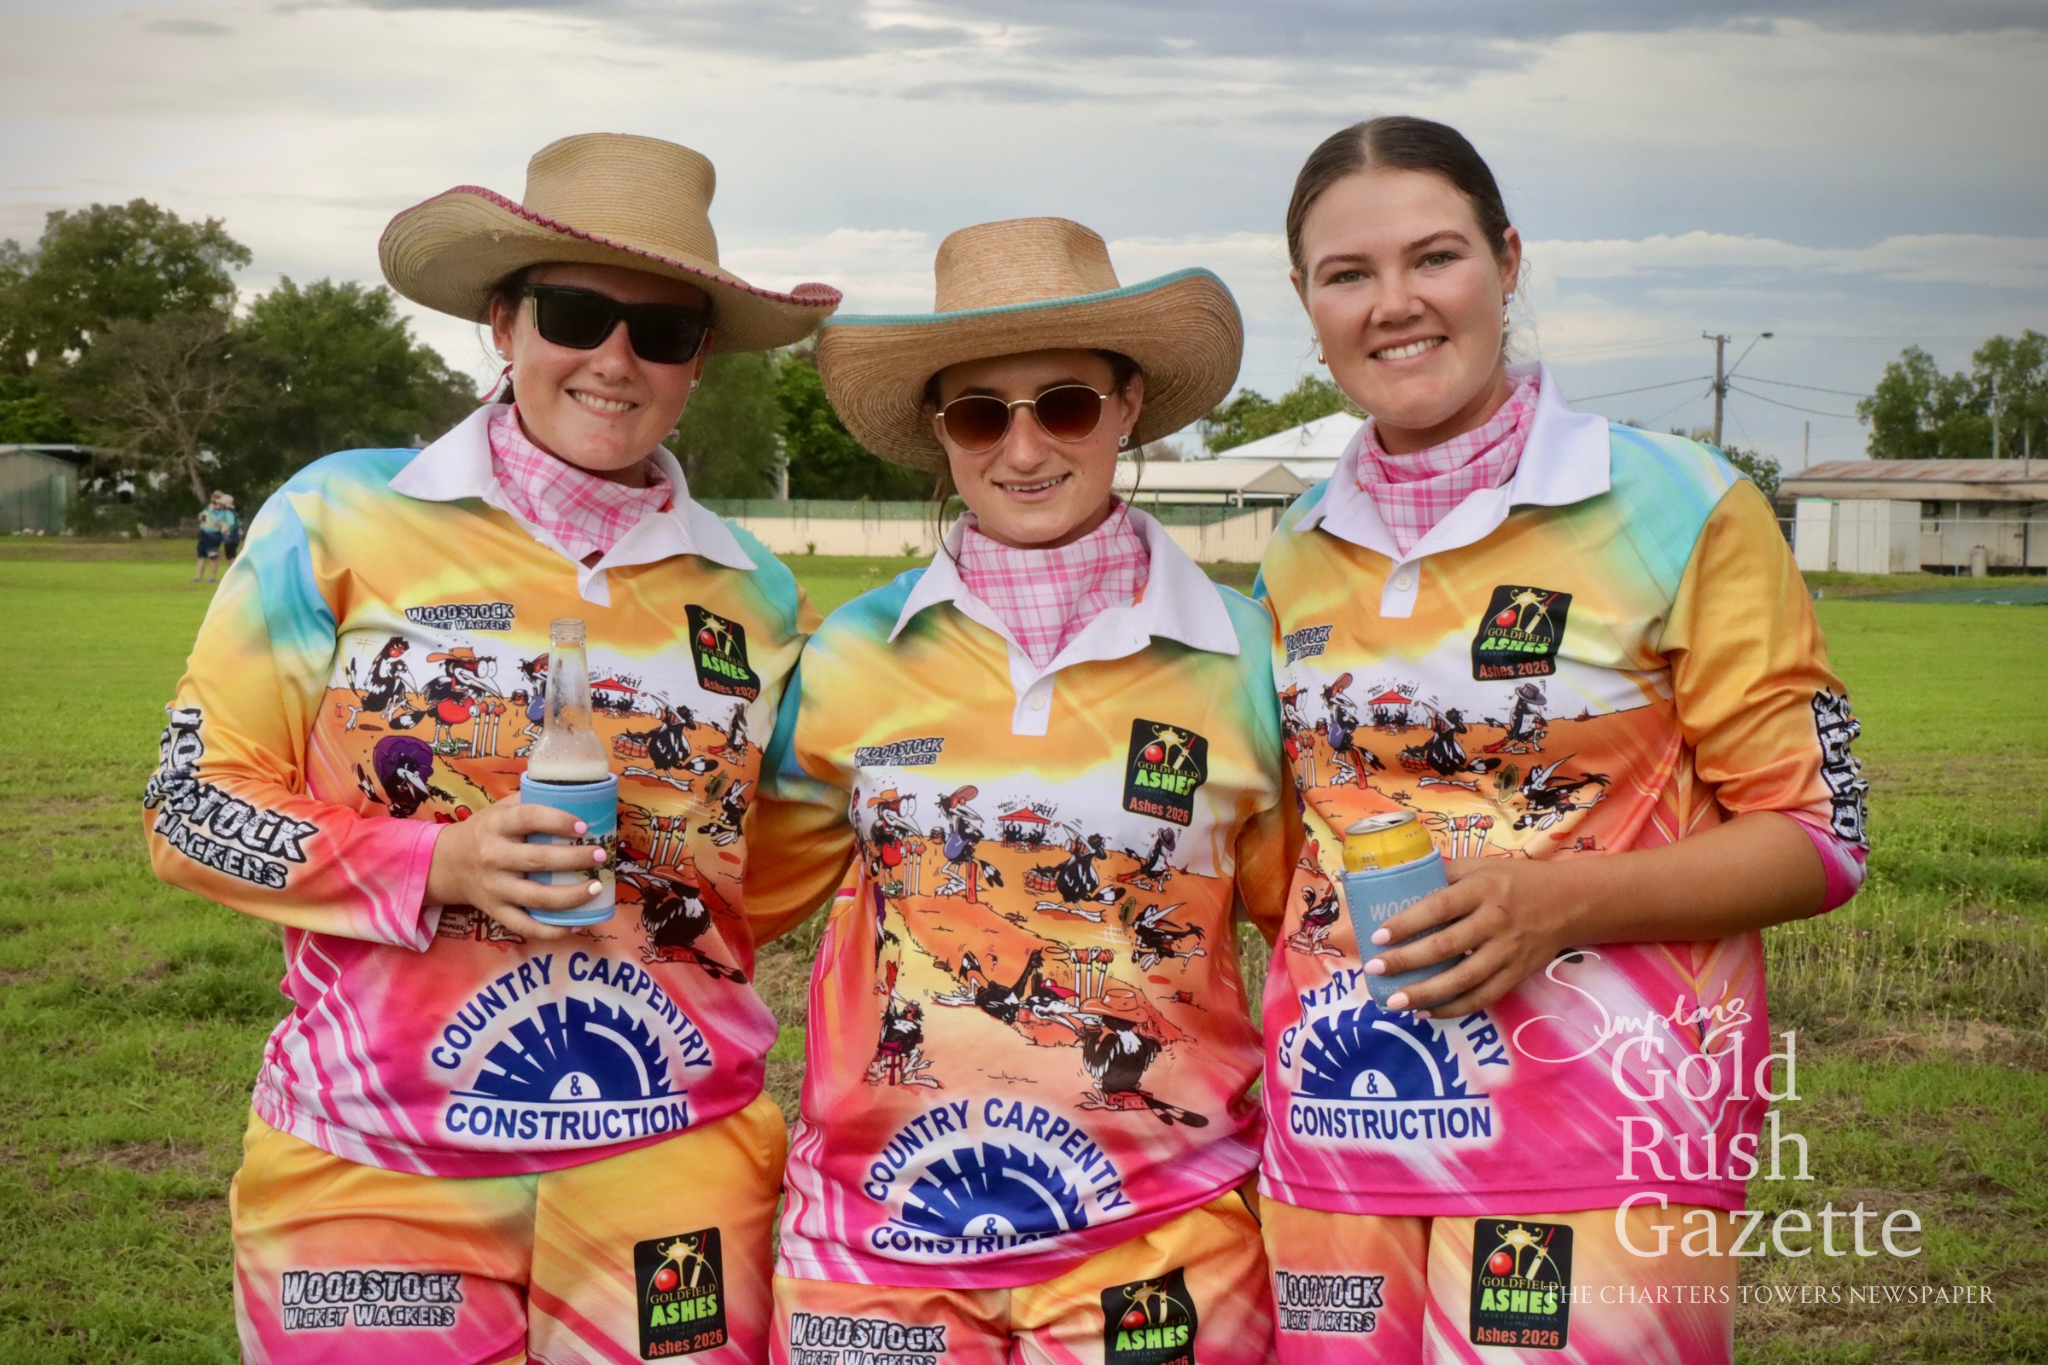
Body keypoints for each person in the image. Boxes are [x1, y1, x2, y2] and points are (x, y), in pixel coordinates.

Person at [143, 133, 840, 1364]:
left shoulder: (756, 594)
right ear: (503, 322)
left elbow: (759, 879)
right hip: (374, 1159)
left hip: (670, 1160)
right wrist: (435, 866)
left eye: (661, 331)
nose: (614, 359)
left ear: (696, 364)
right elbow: (192, 807)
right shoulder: (336, 515)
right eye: (574, 315)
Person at [1253, 116, 1870, 1364]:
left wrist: (1552, 905)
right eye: (1347, 273)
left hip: (1605, 1142)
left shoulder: (1681, 503)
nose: (1393, 303)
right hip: (1336, 1141)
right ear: (1307, 305)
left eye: (1434, 257)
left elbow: (1819, 836)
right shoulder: (1294, 546)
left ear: (1506, 262)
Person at [748, 218, 1293, 1364]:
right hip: (874, 1242)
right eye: (980, 414)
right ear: (939, 431)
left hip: (1160, 1238)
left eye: (1066, 404)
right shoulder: (847, 652)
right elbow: (732, 898)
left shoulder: (1247, 653)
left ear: (1127, 405)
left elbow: (1305, 931)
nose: (1025, 446)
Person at [194, 489, 231, 582]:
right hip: (204, 534)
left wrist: (210, 511)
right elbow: (202, 516)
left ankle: (213, 577)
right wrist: (201, 517)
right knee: (201, 556)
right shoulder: (208, 508)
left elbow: (216, 521)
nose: (213, 500)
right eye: (213, 497)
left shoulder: (222, 512)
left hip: (214, 535)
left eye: (215, 498)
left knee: (213, 557)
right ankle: (198, 576)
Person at [220, 492, 243, 563]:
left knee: (231, 557)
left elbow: (232, 523)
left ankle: (234, 569)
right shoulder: (233, 512)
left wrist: (228, 532)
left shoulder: (228, 512)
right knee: (231, 555)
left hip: (230, 538)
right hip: (235, 537)